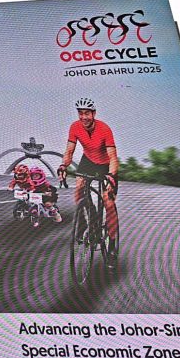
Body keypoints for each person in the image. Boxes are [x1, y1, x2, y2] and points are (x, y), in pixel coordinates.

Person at [57, 97, 120, 268]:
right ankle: (88, 221)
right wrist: (63, 165)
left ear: (93, 114)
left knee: (108, 201)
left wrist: (111, 176)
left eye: (87, 113)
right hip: (88, 161)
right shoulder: (75, 127)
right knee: (78, 188)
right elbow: (69, 151)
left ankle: (113, 246)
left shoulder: (104, 129)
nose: (83, 117)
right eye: (80, 113)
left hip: (105, 164)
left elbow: (113, 157)